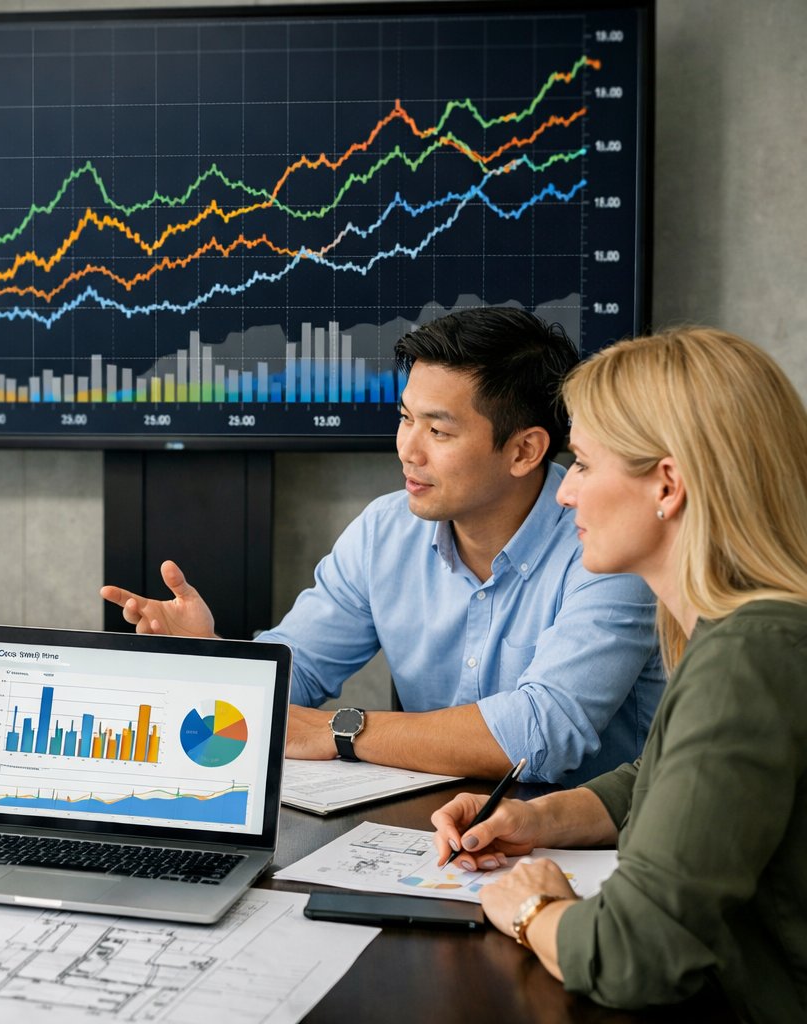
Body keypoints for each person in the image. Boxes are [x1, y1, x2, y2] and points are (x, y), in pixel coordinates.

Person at [101, 307, 665, 785]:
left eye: (438, 432)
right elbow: (295, 671)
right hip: (432, 833)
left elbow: (543, 732)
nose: (408, 450)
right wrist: (218, 658)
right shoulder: (385, 531)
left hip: (579, 849)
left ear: (524, 451)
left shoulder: (608, 547)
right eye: (404, 418)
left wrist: (337, 731)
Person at [430, 328, 807, 1020]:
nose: (564, 495)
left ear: (667, 485)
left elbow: (636, 952)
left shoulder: (747, 659)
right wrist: (536, 817)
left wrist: (531, 907)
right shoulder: (749, 632)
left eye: (582, 465)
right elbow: (666, 777)